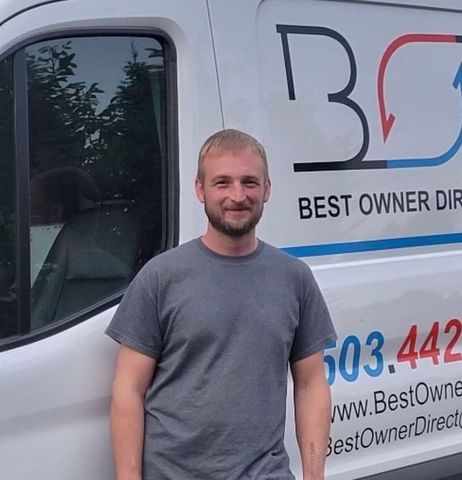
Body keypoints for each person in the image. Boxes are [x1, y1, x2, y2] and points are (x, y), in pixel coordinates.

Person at [105, 129, 337, 480]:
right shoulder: (161, 277)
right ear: (200, 190)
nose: (237, 196)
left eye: (250, 182)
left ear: (267, 189)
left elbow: (311, 385)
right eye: (222, 183)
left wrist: (314, 475)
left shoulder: (294, 278)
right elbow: (128, 389)